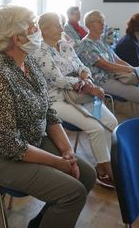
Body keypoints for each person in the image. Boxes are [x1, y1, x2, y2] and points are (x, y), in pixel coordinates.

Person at [0, 5, 96, 228]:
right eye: (33, 26)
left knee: (87, 175)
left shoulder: (29, 64)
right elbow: (9, 145)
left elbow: (48, 112)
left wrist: (67, 151)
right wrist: (59, 163)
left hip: (31, 140)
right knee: (73, 192)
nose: (38, 30)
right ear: (18, 38)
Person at [32, 12, 118, 188]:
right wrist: (85, 85)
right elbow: (58, 79)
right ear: (44, 29)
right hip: (56, 100)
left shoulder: (65, 45)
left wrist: (86, 77)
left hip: (81, 96)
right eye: (57, 25)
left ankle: (104, 162)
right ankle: (106, 169)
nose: (62, 28)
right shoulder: (39, 51)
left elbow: (82, 66)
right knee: (95, 127)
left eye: (61, 24)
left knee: (111, 120)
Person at [75, 10, 139, 118]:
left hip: (113, 77)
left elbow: (117, 60)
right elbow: (106, 65)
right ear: (90, 25)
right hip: (100, 82)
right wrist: (132, 70)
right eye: (99, 22)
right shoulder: (85, 45)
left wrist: (136, 69)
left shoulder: (101, 41)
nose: (103, 24)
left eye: (103, 22)